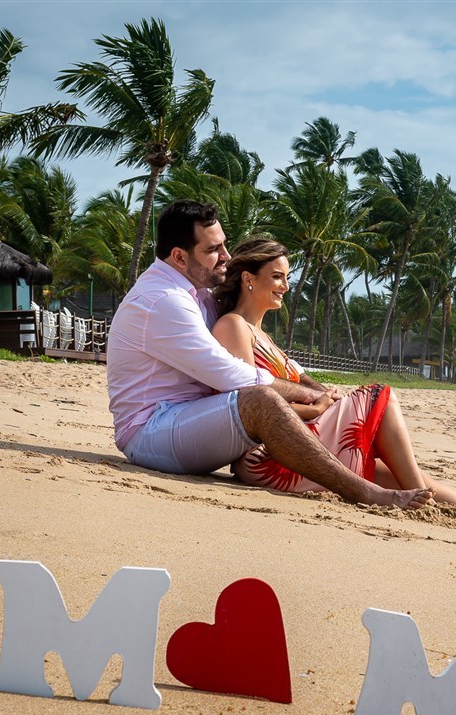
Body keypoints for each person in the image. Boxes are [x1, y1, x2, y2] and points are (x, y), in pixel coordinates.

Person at [210, 238, 456, 526]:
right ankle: (420, 489)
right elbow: (248, 404)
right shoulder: (233, 327)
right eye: (277, 276)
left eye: (287, 277)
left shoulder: (264, 335)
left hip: (303, 444)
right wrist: (319, 405)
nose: (286, 286)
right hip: (268, 457)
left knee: (404, 478)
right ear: (248, 278)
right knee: (378, 395)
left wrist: (322, 400)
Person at [105, 200, 431, 510]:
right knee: (262, 401)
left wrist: (316, 391)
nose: (226, 256)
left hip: (186, 419)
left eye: (224, 245)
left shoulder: (197, 294)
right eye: (212, 250)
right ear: (179, 256)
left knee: (307, 410)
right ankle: (363, 491)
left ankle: (442, 497)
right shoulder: (164, 300)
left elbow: (262, 345)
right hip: (151, 433)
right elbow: (229, 374)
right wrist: (306, 394)